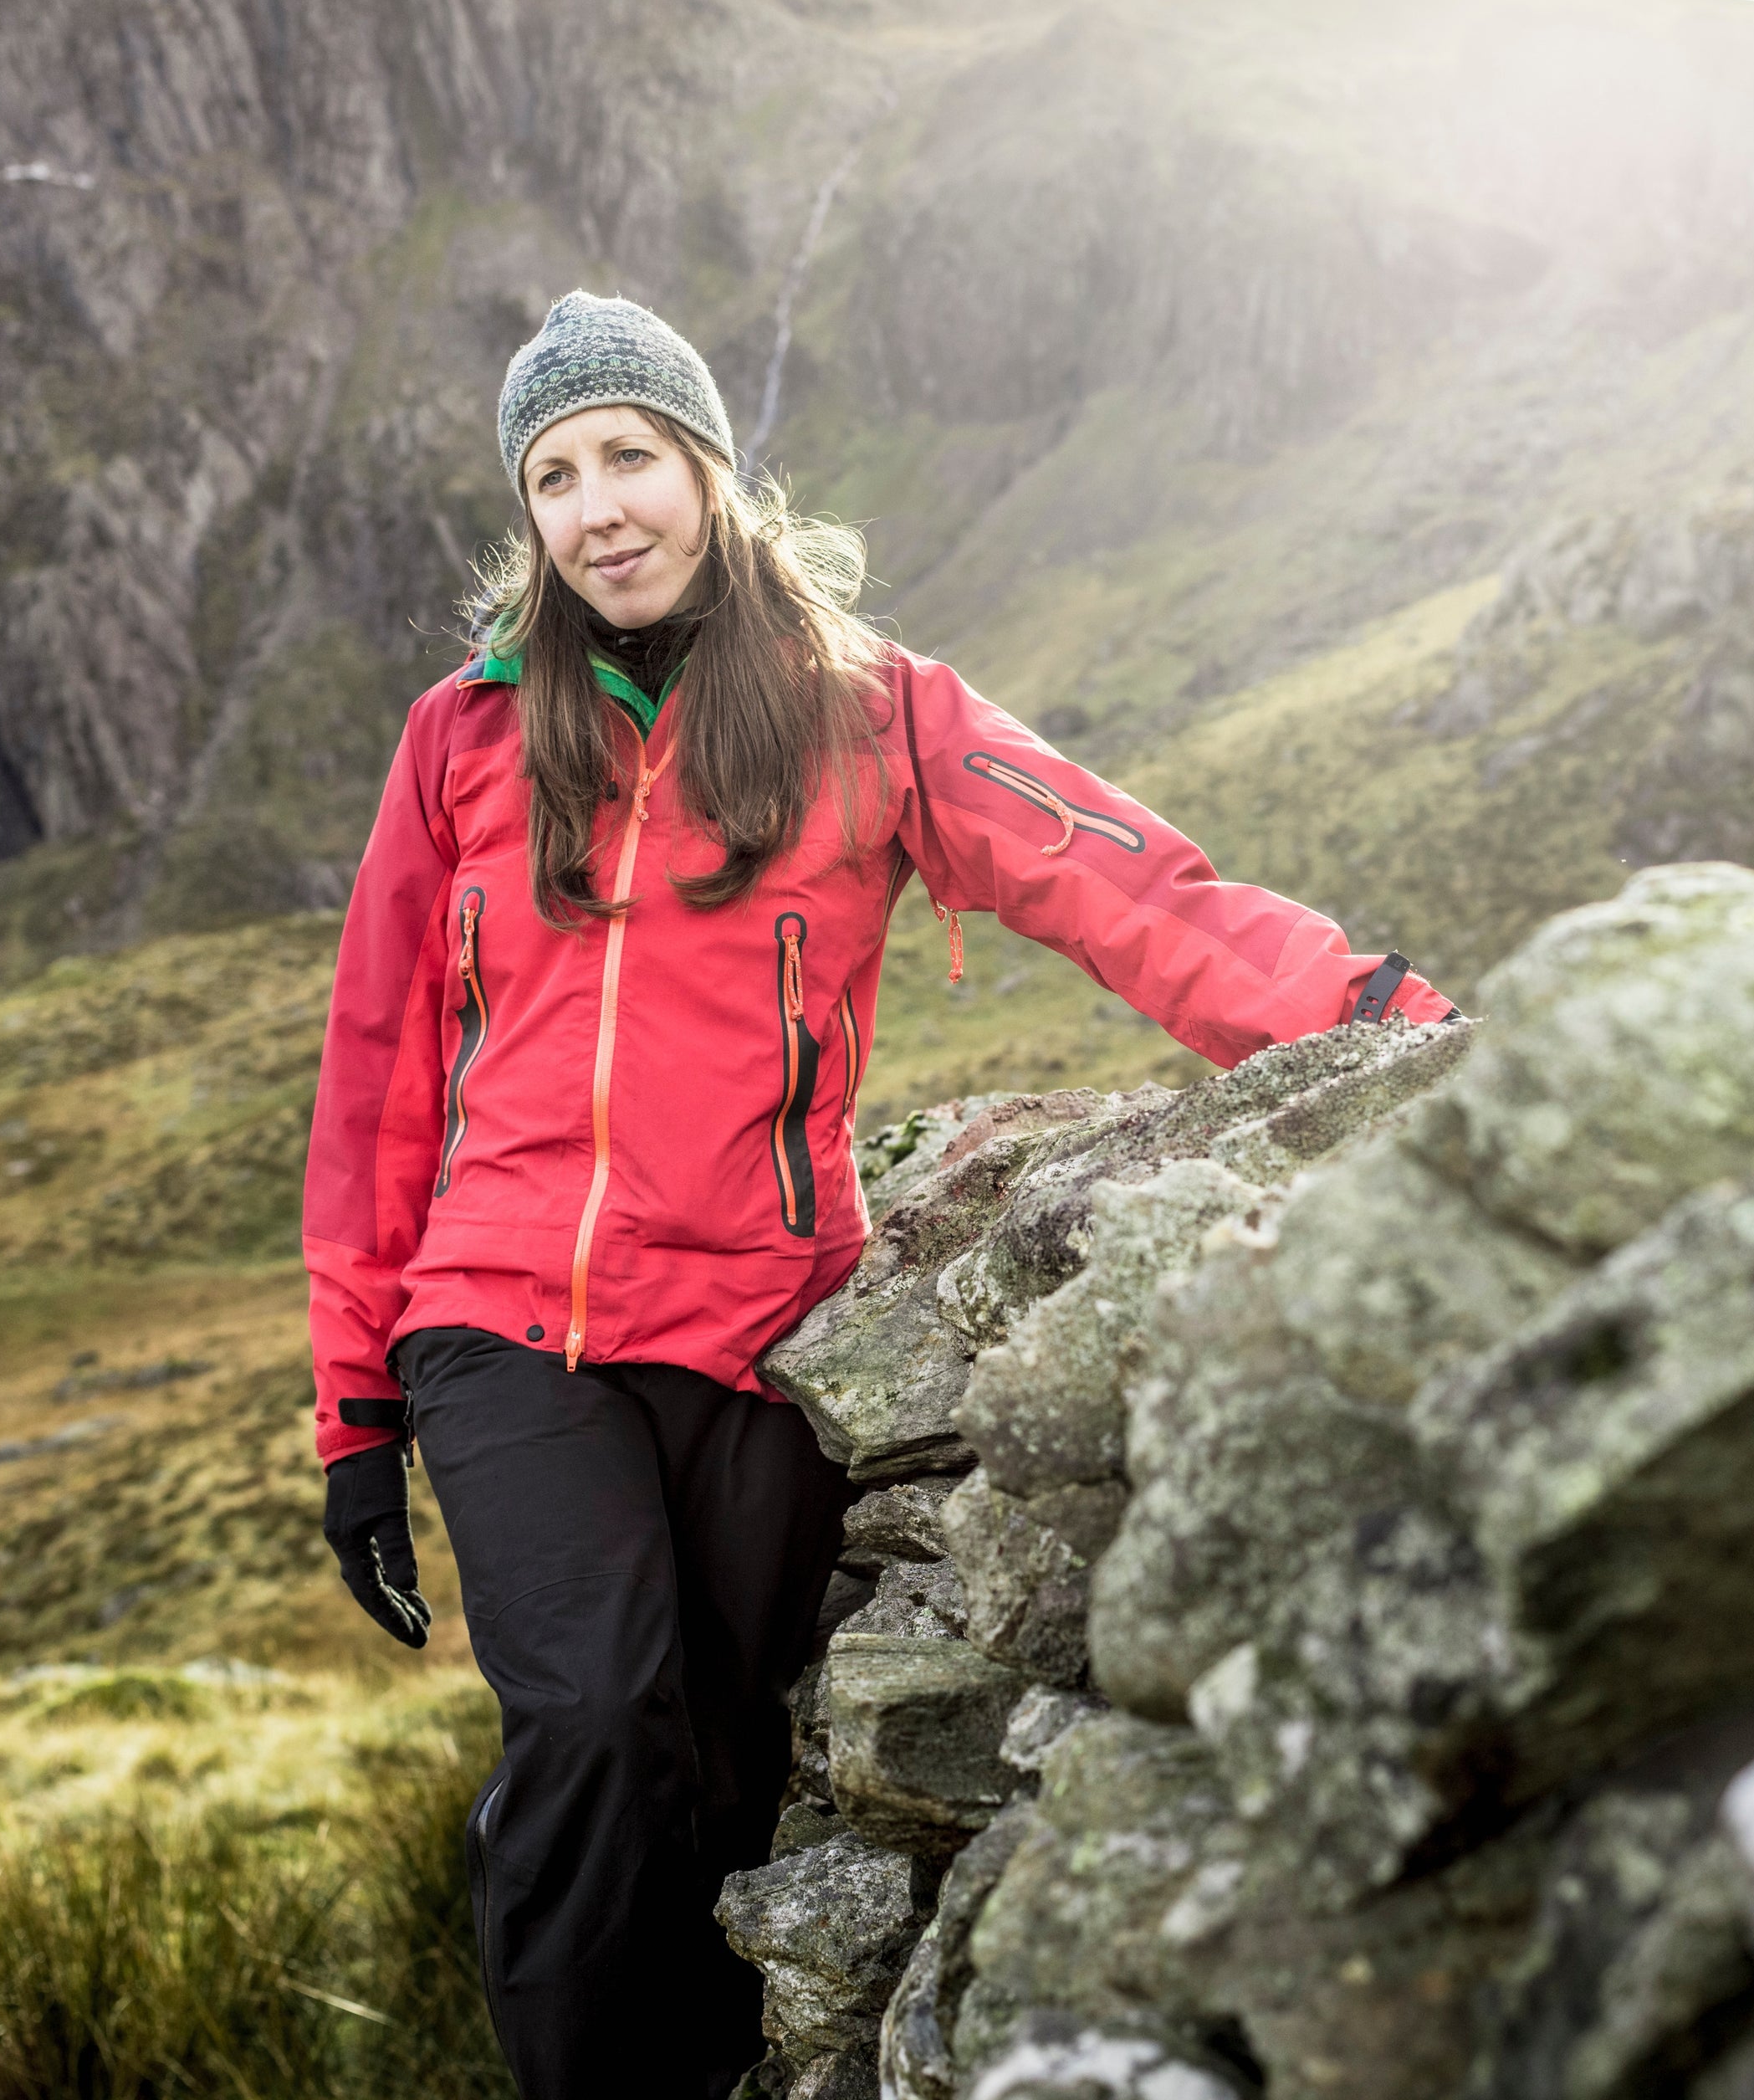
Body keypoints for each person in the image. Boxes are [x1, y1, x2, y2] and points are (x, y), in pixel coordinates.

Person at [301, 291, 1453, 2100]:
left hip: (760, 1327)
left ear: (704, 467)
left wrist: (1370, 1016)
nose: (599, 508)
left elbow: (1122, 887)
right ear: (524, 518)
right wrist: (355, 1404)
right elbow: (377, 1070)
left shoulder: (876, 713)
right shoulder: (460, 739)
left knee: (727, 1766)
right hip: (504, 1319)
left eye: (629, 457)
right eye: (553, 476)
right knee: (595, 1722)